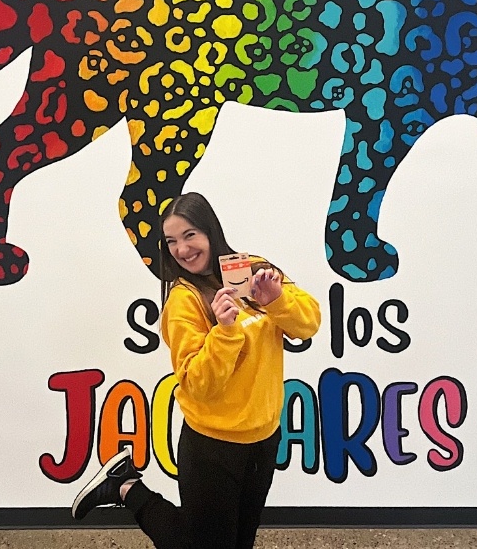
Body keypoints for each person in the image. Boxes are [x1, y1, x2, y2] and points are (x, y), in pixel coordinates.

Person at [71, 192, 322, 549]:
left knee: (238, 541)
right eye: (171, 241)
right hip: (212, 446)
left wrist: (276, 301)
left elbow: (308, 324)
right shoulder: (183, 300)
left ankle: (122, 484)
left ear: (210, 232)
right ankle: (128, 489)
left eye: (190, 235)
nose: (182, 249)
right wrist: (226, 332)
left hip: (264, 438)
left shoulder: (253, 268)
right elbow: (198, 384)